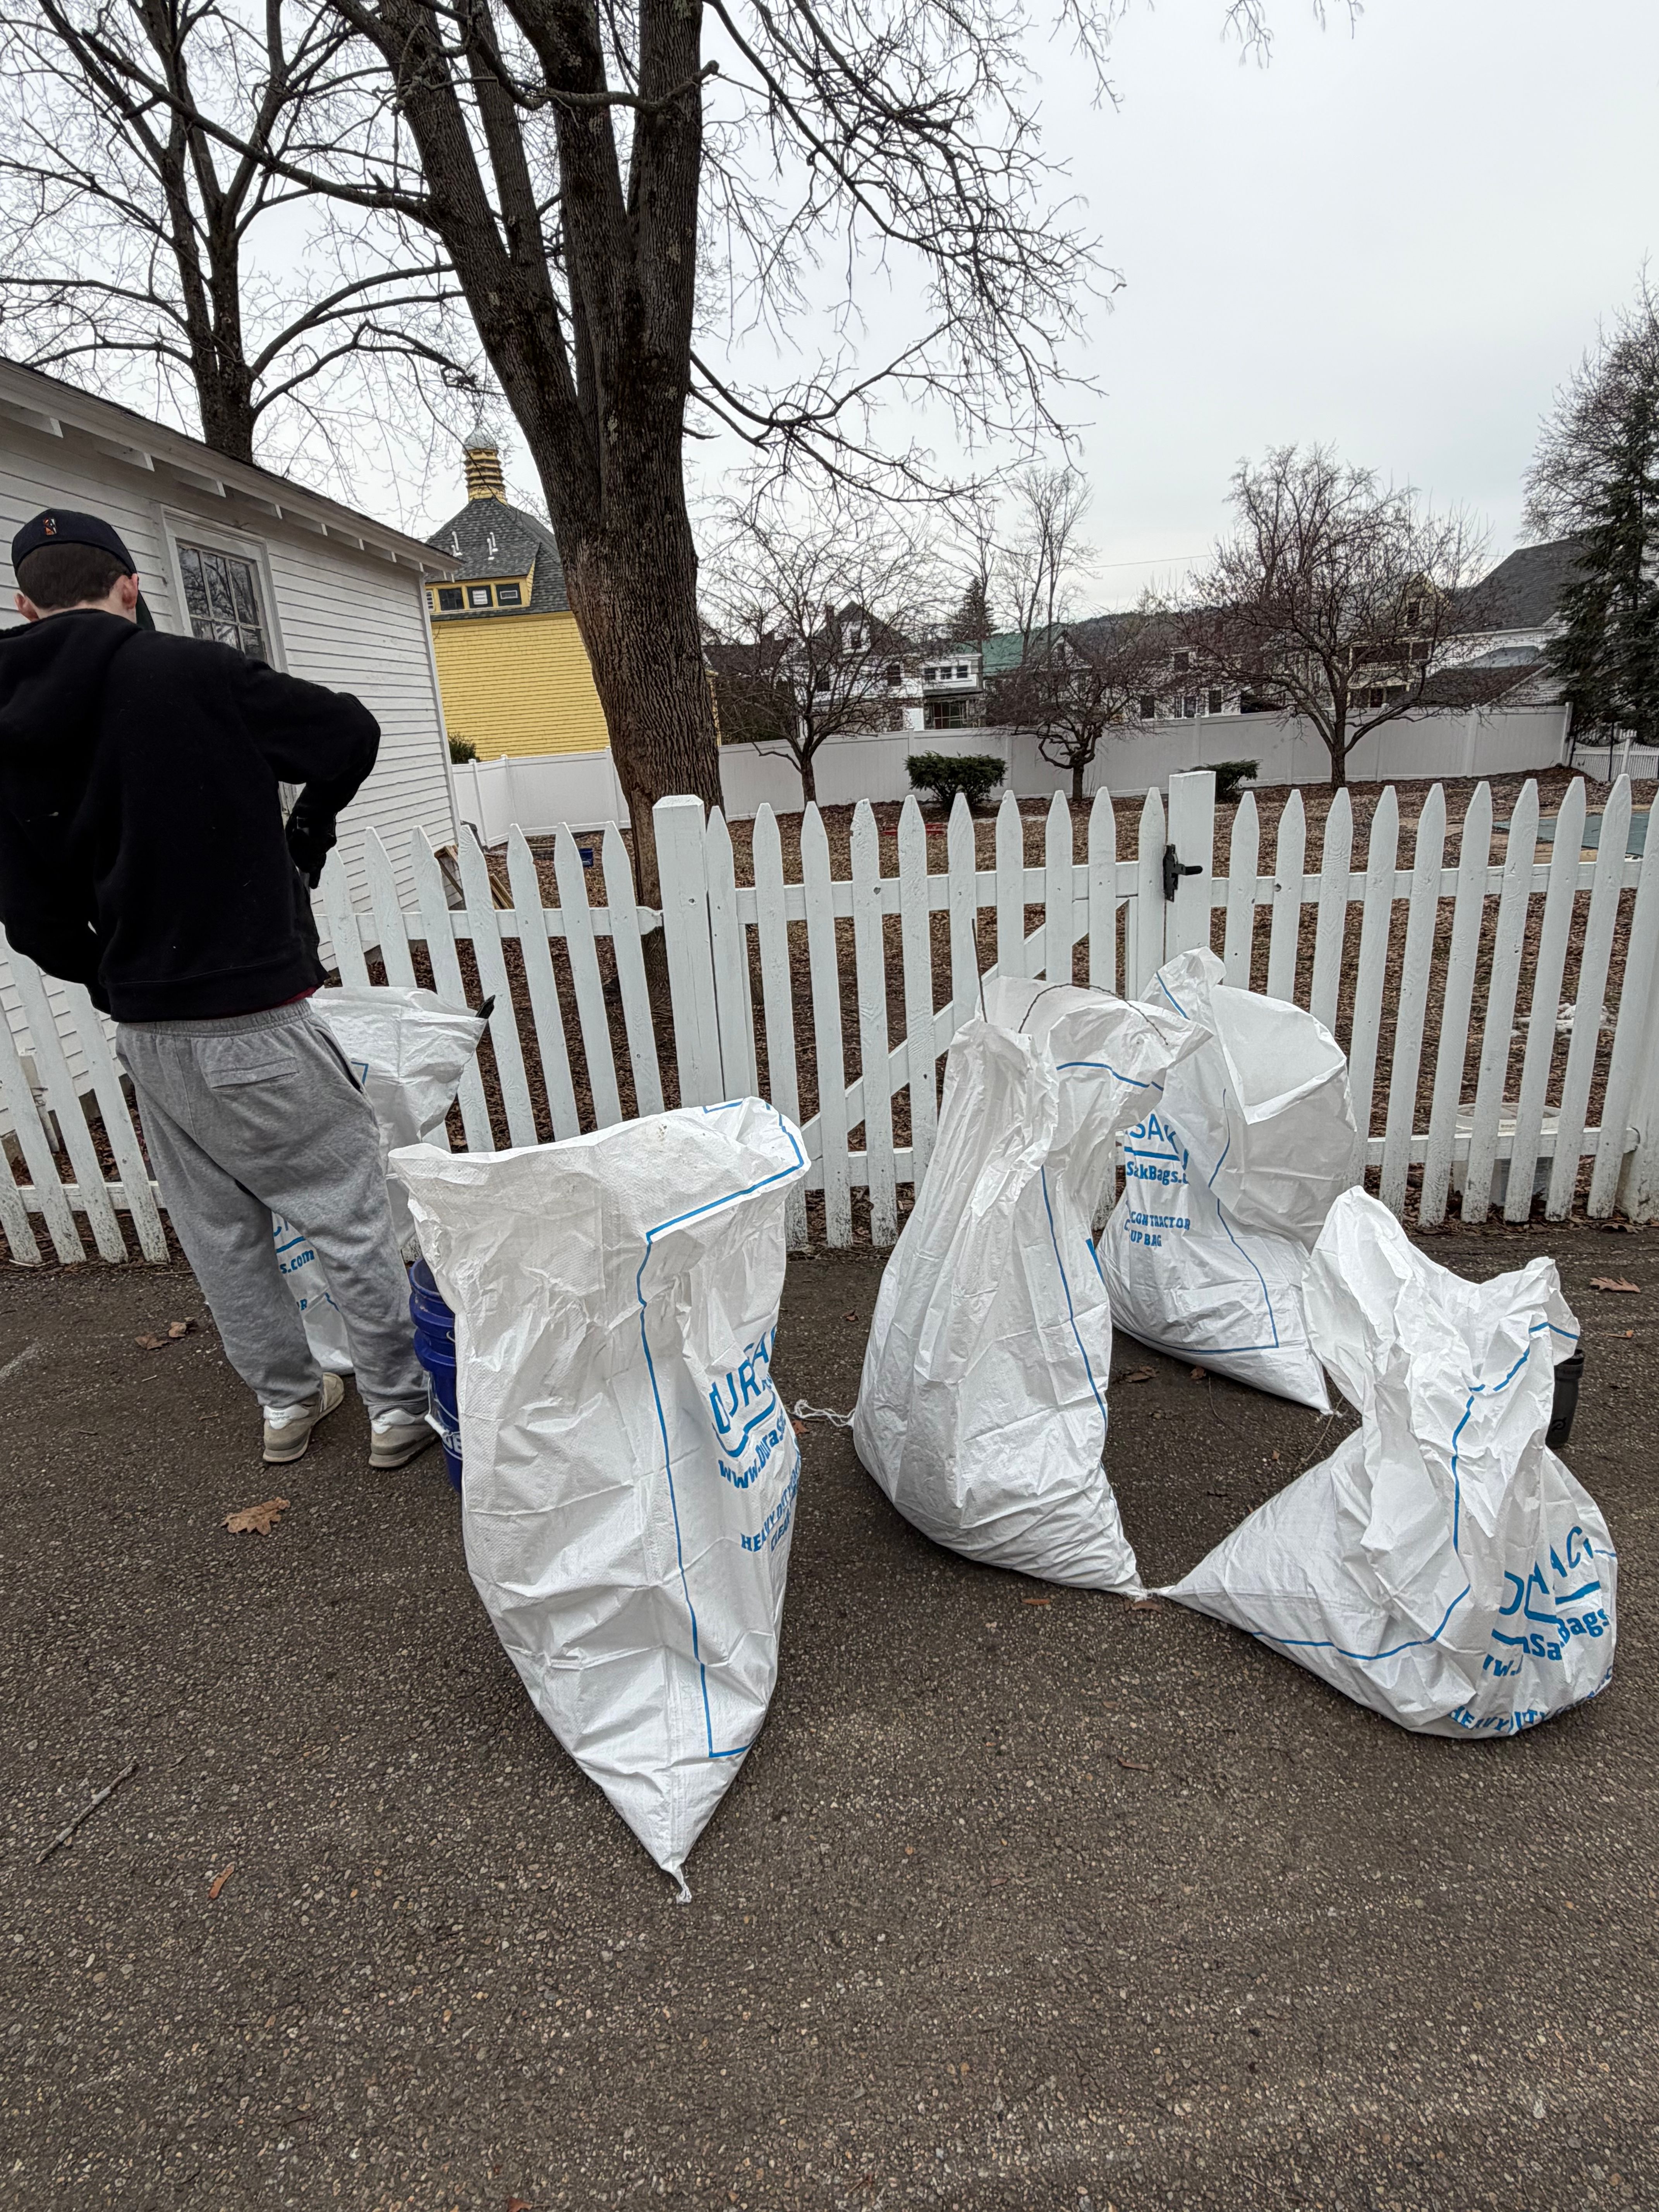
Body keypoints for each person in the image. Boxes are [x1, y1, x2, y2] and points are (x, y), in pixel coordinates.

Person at [0, 507, 433, 1470]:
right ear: (129, 588)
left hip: (150, 1031)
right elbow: (347, 735)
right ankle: (399, 1410)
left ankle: (286, 1404)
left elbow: (28, 918)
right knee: (344, 1211)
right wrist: (305, 838)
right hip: (258, 1013)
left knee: (220, 1231)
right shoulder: (190, 672)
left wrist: (117, 977)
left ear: (26, 606)